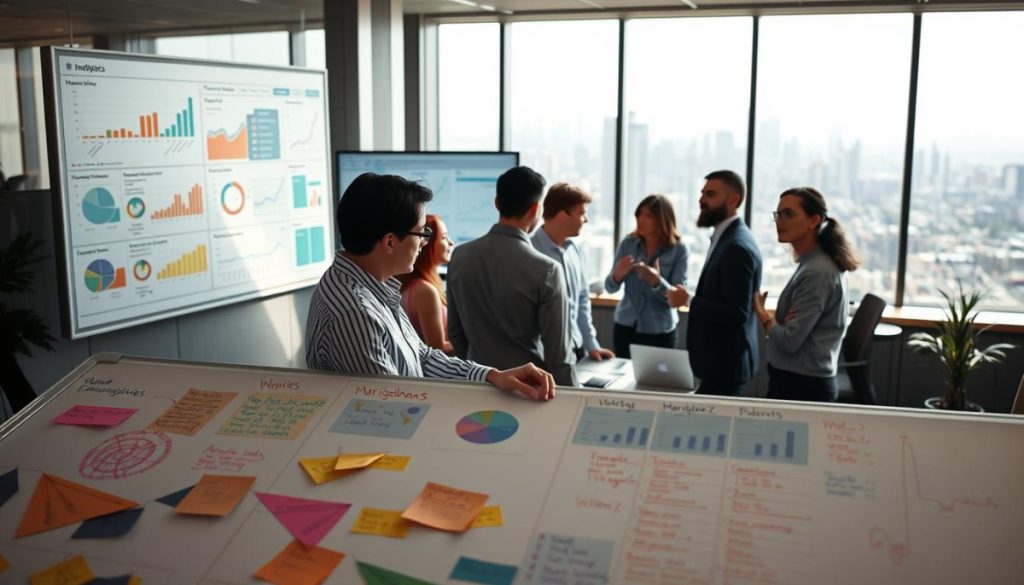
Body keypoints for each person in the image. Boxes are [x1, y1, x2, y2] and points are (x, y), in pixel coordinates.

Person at [305, 173, 555, 401]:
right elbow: (387, 404)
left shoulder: (372, 287)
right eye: (422, 234)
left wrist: (492, 375)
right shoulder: (355, 313)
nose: (425, 243)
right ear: (390, 242)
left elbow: (422, 356)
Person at [447, 166, 578, 386]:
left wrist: (475, 372)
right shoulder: (547, 270)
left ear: (497, 203)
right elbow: (559, 356)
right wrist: (576, 399)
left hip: (479, 384)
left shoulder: (459, 256)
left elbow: (455, 332)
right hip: (529, 389)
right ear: (535, 209)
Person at [752, 187, 859, 402]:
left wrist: (765, 316)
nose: (780, 221)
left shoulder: (817, 272)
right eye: (778, 214)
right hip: (796, 381)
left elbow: (790, 341)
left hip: (801, 386)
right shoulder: (811, 263)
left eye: (789, 214)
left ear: (813, 221)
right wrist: (779, 324)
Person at [667, 170, 762, 396]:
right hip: (720, 364)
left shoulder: (737, 246)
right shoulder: (727, 237)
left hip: (726, 366)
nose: (701, 200)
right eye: (702, 193)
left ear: (733, 200)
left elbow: (736, 313)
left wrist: (687, 300)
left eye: (710, 194)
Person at [531, 183, 615, 363]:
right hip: (544, 354)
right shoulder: (530, 250)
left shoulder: (575, 250)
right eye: (581, 213)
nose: (586, 220)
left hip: (576, 348)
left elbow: (582, 299)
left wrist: (591, 345)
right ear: (562, 216)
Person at [604, 194, 688, 358]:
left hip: (660, 330)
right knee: (623, 381)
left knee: (658, 382)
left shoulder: (679, 250)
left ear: (662, 219)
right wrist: (617, 274)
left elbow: (678, 299)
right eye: (639, 215)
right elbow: (609, 287)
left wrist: (657, 281)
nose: (640, 220)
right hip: (625, 326)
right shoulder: (627, 244)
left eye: (648, 216)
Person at [397, 214, 455, 355]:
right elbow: (438, 349)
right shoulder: (425, 290)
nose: (451, 242)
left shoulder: (413, 285)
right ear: (427, 243)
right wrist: (475, 339)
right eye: (444, 237)